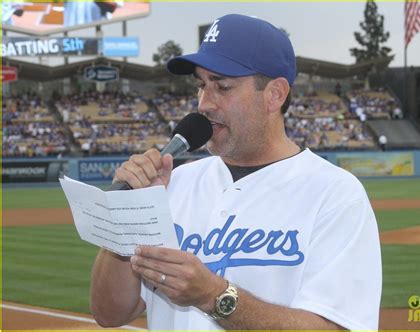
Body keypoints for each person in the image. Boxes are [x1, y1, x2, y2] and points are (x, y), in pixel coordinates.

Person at [90, 14, 382, 330]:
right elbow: (110, 313)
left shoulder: (335, 194)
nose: (204, 103)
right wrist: (129, 215)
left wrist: (215, 297)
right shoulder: (173, 184)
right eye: (201, 85)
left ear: (275, 95)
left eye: (223, 86)